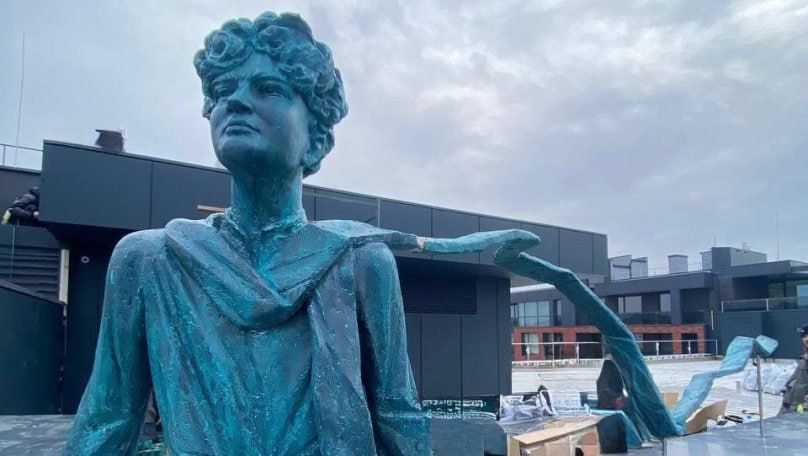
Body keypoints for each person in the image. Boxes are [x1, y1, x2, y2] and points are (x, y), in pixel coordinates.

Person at [65, 12, 430, 455]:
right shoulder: (148, 261)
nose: (236, 101)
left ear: (316, 140)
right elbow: (108, 417)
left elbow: (397, 413)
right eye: (223, 90)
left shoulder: (361, 262)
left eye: (269, 89)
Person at [781, 323, 808, 414]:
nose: (806, 339)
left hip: (801, 412)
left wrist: (804, 408)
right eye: (804, 336)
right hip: (790, 408)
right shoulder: (804, 359)